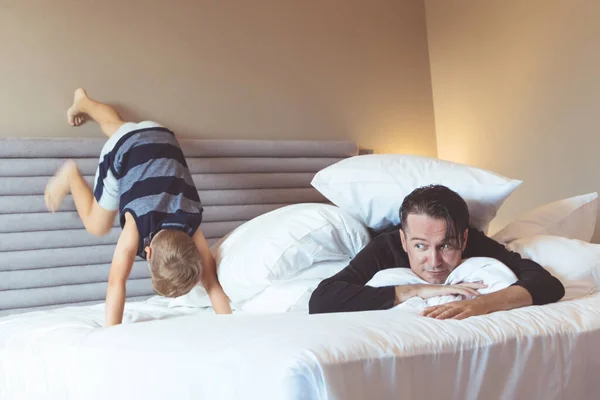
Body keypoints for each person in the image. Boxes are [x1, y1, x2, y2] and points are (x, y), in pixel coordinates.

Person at [44, 88, 232, 326]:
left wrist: (231, 330)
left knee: (117, 126)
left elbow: (213, 286)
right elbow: (116, 281)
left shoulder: (191, 224)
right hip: (124, 153)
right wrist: (112, 333)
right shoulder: (137, 225)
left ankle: (84, 101)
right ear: (149, 252)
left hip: (158, 135)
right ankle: (71, 175)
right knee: (97, 225)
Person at [308, 185, 565, 319]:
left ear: (463, 239)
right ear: (404, 240)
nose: (434, 261)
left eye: (446, 246)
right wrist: (414, 290)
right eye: (420, 245)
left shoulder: (473, 241)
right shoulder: (385, 247)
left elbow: (546, 284)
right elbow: (322, 299)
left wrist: (482, 304)